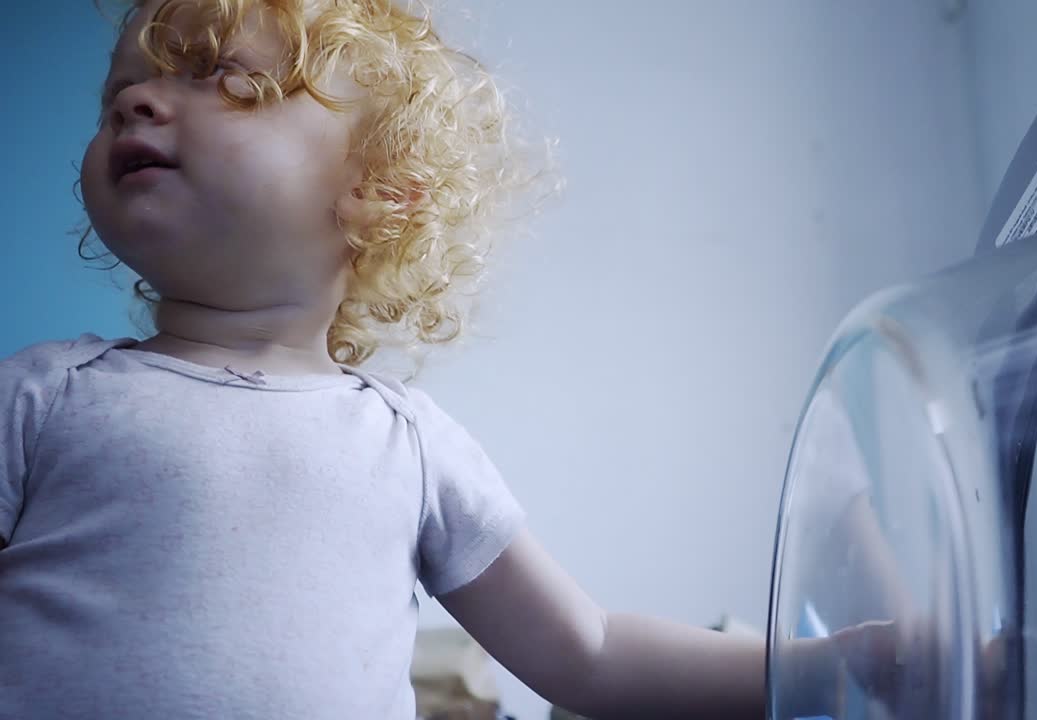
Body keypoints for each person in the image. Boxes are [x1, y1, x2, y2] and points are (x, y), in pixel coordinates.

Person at [0, 1, 770, 718]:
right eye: (120, 94)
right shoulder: (41, 397)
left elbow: (589, 653)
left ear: (381, 187)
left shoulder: (411, 444)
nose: (136, 102)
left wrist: (831, 664)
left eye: (223, 77)